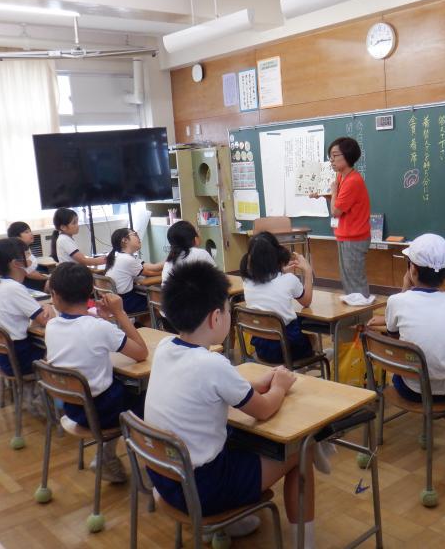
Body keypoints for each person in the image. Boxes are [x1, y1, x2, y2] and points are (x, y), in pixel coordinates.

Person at [144, 262, 317, 547]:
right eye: (227, 311)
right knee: (301, 450)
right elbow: (264, 409)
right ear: (216, 318)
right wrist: (280, 386)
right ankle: (306, 544)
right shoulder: (212, 363)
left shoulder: (165, 348)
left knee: (239, 437)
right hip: (203, 490)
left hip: (167, 479)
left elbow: (214, 391)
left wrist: (260, 384)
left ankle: (230, 523)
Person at [366, 234, 445, 443]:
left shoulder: (396, 301)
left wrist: (405, 287)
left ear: (412, 270)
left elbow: (394, 335)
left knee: (421, 366)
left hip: (409, 390)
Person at [45, 262, 148, 482]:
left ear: (56, 296)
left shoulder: (51, 326)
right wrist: (120, 313)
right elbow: (141, 353)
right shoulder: (98, 328)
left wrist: (104, 320)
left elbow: (87, 341)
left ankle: (107, 456)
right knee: (148, 395)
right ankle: (146, 463)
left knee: (122, 387)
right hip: (101, 410)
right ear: (91, 291)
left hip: (73, 407)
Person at [0, 238, 54, 416]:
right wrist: (48, 306)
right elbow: (47, 321)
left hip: (6, 358)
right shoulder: (14, 288)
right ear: (16, 263)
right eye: (28, 255)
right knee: (62, 349)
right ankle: (47, 400)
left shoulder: (1, 285)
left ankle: (33, 395)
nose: (31, 258)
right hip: (19, 359)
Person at [239, 232, 314, 364]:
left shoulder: (247, 282)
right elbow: (306, 302)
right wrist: (307, 270)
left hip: (262, 350)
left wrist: (281, 272)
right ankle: (308, 367)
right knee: (311, 337)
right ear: (277, 254)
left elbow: (270, 284)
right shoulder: (289, 280)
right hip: (289, 350)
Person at [314, 137, 371, 297]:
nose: (331, 160)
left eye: (335, 155)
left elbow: (336, 211)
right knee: (348, 279)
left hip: (354, 237)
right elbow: (339, 202)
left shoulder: (353, 180)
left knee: (355, 281)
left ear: (347, 155)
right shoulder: (341, 176)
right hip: (345, 235)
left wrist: (333, 192)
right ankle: (354, 310)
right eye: (330, 156)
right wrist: (322, 194)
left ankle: (362, 311)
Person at [103, 228, 163, 315]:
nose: (138, 238)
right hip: (125, 302)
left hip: (115, 300)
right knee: (157, 302)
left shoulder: (120, 256)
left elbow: (151, 268)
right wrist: (170, 264)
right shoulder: (127, 259)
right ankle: (159, 323)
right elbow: (150, 272)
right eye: (135, 234)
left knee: (149, 295)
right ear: (125, 240)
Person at [7, 222, 50, 291]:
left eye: (30, 231)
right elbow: (29, 274)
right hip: (27, 283)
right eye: (26, 232)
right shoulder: (16, 251)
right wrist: (48, 277)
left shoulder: (26, 248)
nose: (31, 234)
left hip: (33, 280)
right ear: (17, 237)